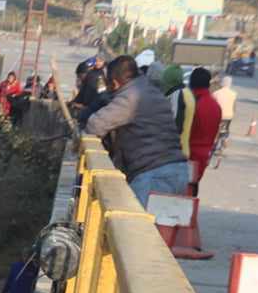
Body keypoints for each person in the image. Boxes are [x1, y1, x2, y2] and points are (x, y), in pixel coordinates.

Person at [85, 54, 190, 206]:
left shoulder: (130, 97)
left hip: (153, 175)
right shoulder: (151, 90)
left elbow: (95, 126)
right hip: (177, 172)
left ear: (114, 83)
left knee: (133, 227)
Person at [181, 66, 222, 193]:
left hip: (187, 156)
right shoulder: (215, 105)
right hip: (203, 158)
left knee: (181, 194)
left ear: (192, 83)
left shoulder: (191, 103)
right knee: (191, 192)